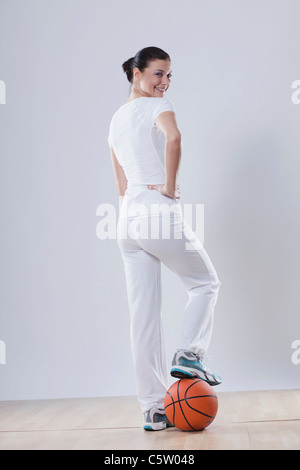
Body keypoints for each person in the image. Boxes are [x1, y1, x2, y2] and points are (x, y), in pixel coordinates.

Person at [107, 46, 222, 431]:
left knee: (143, 317)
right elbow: (174, 139)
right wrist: (170, 187)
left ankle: (154, 410)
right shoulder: (158, 106)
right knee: (205, 283)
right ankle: (190, 353)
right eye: (157, 74)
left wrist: (135, 206)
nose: (164, 82)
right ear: (137, 73)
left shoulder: (116, 120)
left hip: (127, 222)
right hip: (156, 213)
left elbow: (121, 182)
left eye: (169, 75)